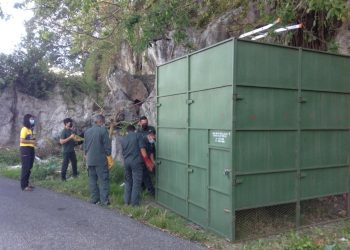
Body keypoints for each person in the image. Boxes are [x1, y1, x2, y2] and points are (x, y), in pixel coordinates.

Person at [121, 124, 154, 206]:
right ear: (134, 130)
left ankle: (126, 202)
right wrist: (148, 162)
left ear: (127, 131)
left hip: (126, 162)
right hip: (136, 162)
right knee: (136, 182)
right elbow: (142, 150)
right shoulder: (138, 136)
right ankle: (134, 203)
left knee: (128, 181)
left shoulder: (123, 139)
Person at [84, 115, 112, 206]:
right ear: (100, 121)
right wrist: (109, 157)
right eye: (103, 122)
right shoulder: (103, 130)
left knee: (92, 180)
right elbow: (107, 145)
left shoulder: (87, 131)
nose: (104, 124)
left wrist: (86, 157)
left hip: (90, 160)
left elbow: (85, 147)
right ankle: (104, 201)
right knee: (103, 179)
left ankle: (94, 199)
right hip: (100, 160)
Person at [137, 116, 156, 196]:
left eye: (146, 122)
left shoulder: (151, 129)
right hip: (142, 154)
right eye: (143, 123)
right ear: (140, 123)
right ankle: (145, 188)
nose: (145, 124)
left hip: (150, 152)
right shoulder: (138, 131)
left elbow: (154, 140)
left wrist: (153, 137)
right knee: (144, 172)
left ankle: (152, 188)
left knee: (150, 170)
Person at [19, 114, 36, 191]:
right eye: (31, 119)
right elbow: (22, 140)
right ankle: (24, 186)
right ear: (27, 120)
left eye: (33, 119)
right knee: (25, 167)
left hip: (31, 149)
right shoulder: (24, 129)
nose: (33, 120)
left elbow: (33, 140)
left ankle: (27, 183)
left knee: (29, 167)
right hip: (25, 149)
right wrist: (31, 141)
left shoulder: (31, 129)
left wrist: (34, 142)